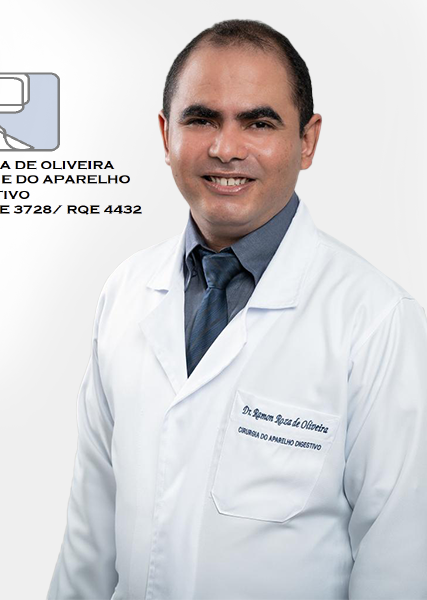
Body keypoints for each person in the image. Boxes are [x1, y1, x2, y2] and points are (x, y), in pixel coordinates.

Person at [48, 19, 427, 600]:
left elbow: (399, 560)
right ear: (165, 134)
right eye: (201, 119)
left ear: (307, 141)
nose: (226, 148)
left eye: (259, 122)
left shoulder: (376, 320)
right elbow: (88, 536)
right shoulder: (125, 292)